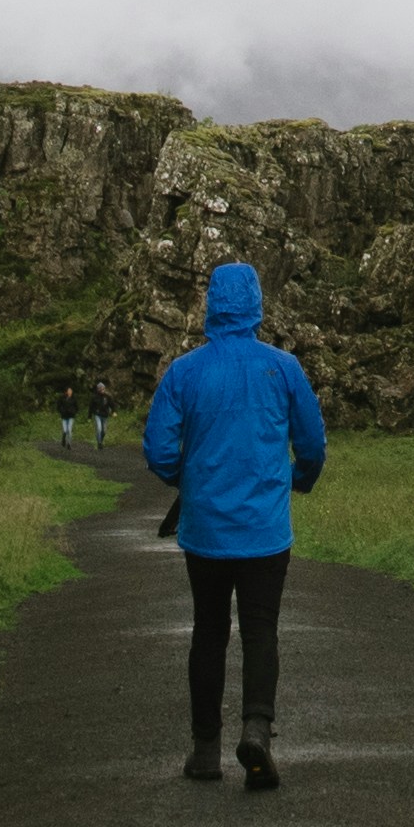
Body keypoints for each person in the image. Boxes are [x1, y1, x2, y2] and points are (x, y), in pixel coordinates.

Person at [138, 254, 328, 792]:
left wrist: (189, 480)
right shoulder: (283, 368)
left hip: (206, 533)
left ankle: (204, 749)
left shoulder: (185, 372)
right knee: (261, 628)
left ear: (211, 306)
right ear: (256, 306)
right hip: (267, 532)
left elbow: (157, 450)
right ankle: (257, 729)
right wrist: (297, 480)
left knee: (209, 630)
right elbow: (312, 444)